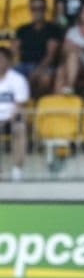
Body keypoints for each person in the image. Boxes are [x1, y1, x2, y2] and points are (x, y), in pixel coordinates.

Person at [0, 47, 30, 181]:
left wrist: (6, 120)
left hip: (11, 119)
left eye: (1, 59)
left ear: (8, 61)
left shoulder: (18, 79)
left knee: (19, 128)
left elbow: (19, 104)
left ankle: (17, 169)